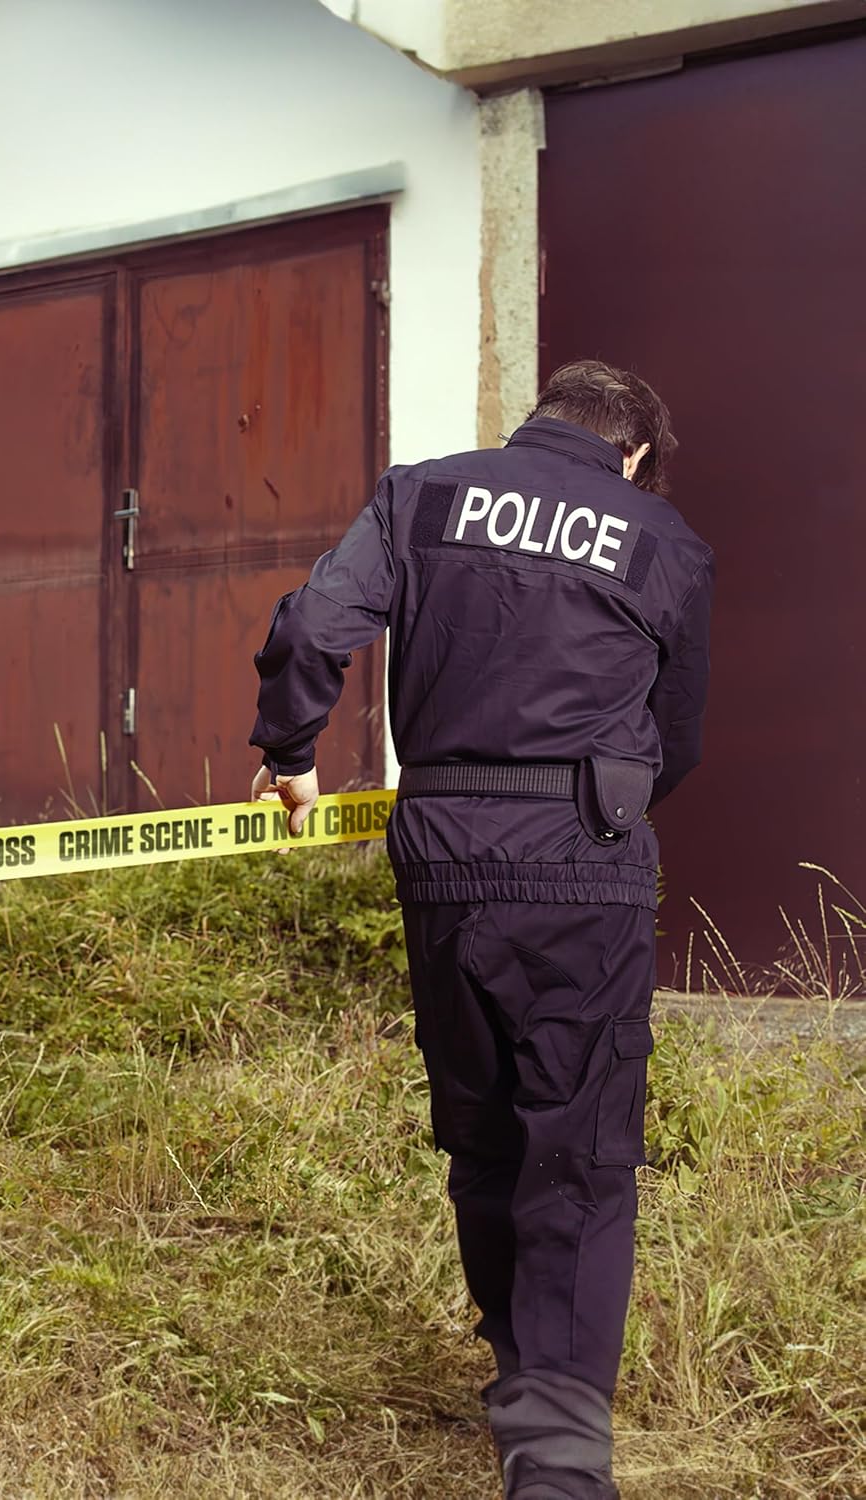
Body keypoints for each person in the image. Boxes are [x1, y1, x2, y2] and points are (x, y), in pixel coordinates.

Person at [248, 360, 714, 1499]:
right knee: (582, 1150)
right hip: (581, 859)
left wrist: (292, 754)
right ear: (634, 453)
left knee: (485, 1130)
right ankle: (555, 1462)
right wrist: (599, 808)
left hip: (443, 851)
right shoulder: (660, 540)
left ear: (535, 419)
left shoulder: (426, 495)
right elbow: (679, 736)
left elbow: (315, 623)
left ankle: (522, 1374)